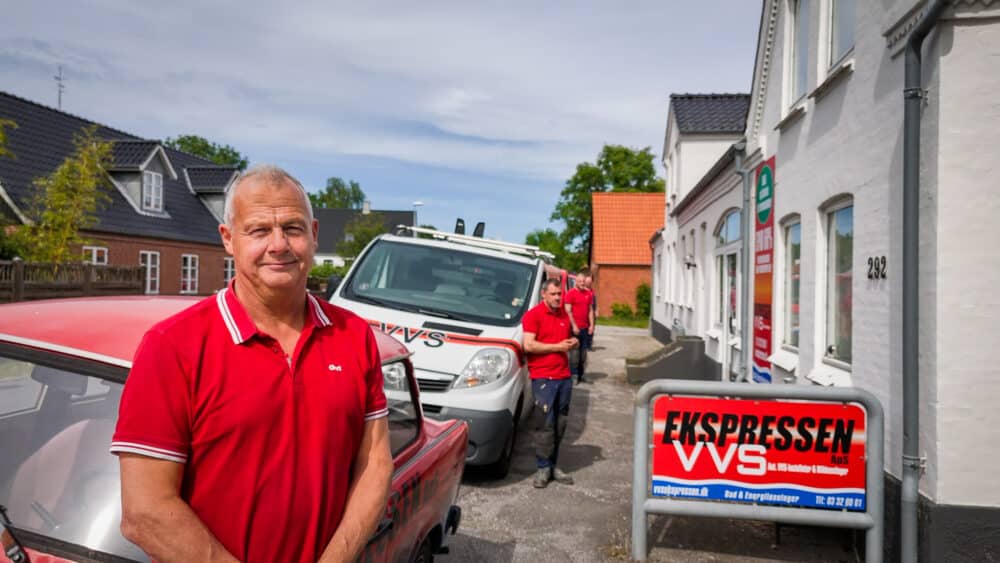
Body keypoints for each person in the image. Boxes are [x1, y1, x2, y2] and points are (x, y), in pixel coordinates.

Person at [111, 165, 393, 563]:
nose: (278, 245)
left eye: (292, 229)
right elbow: (145, 512)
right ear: (229, 239)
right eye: (259, 230)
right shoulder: (172, 347)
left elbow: (375, 464)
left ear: (314, 234)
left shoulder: (354, 336)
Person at [522, 278, 579, 489]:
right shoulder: (533, 315)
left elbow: (571, 338)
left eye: (560, 294)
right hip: (544, 378)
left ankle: (554, 466)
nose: (557, 298)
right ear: (544, 294)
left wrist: (574, 342)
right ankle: (543, 468)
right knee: (545, 424)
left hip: (564, 377)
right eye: (553, 294)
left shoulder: (563, 314)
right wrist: (557, 347)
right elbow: (529, 345)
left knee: (559, 424)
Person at [564, 269, 596, 383]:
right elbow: (568, 311)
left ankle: (582, 374)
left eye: (583, 281)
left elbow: (590, 311)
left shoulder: (589, 294)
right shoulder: (570, 294)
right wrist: (574, 326)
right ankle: (573, 375)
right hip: (574, 329)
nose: (582, 283)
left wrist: (591, 325)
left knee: (583, 354)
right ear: (576, 282)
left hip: (585, 328)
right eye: (580, 281)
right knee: (574, 354)